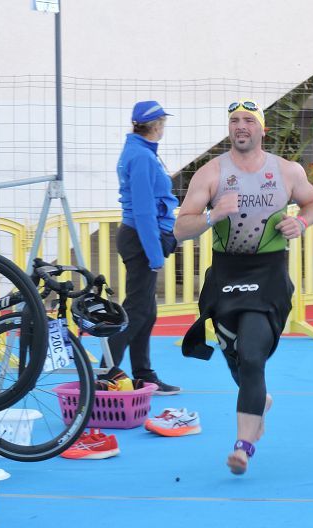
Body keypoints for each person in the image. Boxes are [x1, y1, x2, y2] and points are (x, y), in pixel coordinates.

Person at [175, 99, 313, 475]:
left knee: (253, 354)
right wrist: (212, 216)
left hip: (268, 273)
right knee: (237, 357)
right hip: (226, 275)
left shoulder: (286, 171)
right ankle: (259, 400)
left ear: (262, 129)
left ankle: (244, 446)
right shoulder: (211, 173)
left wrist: (302, 223)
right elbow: (181, 228)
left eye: (248, 121)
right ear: (229, 129)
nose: (241, 126)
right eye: (235, 121)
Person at [108, 100, 180, 394]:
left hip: (139, 236)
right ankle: (105, 371)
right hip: (140, 237)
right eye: (163, 122)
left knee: (145, 312)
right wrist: (154, 254)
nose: (164, 127)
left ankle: (143, 373)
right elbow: (143, 211)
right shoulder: (142, 157)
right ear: (157, 125)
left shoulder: (141, 152)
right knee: (137, 311)